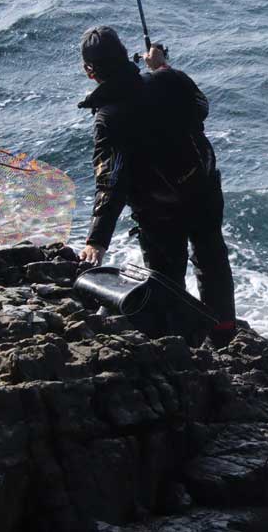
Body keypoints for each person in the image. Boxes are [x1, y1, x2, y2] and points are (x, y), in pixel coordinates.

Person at [76, 25, 236, 345]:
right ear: (125, 57)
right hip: (201, 188)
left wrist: (97, 240)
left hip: (158, 210)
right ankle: (224, 334)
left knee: (166, 275)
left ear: (90, 72)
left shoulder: (108, 117)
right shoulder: (169, 80)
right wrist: (162, 67)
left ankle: (182, 341)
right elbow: (201, 106)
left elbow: (111, 181)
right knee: (211, 258)